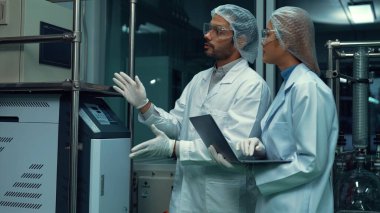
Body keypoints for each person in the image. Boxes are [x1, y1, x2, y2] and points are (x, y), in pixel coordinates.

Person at [112, 4, 271, 213]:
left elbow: (235, 149)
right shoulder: (199, 79)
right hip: (185, 199)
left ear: (241, 40)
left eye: (218, 31)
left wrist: (174, 148)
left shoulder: (252, 85)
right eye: (209, 27)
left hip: (225, 202)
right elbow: (177, 126)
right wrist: (145, 106)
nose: (207, 35)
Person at [209, 6, 339, 213]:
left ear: (286, 39)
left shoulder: (308, 88)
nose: (262, 42)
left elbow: (311, 163)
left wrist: (253, 177)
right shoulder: (289, 86)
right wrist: (261, 151)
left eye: (267, 34)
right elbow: (287, 149)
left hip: (300, 205)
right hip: (277, 203)